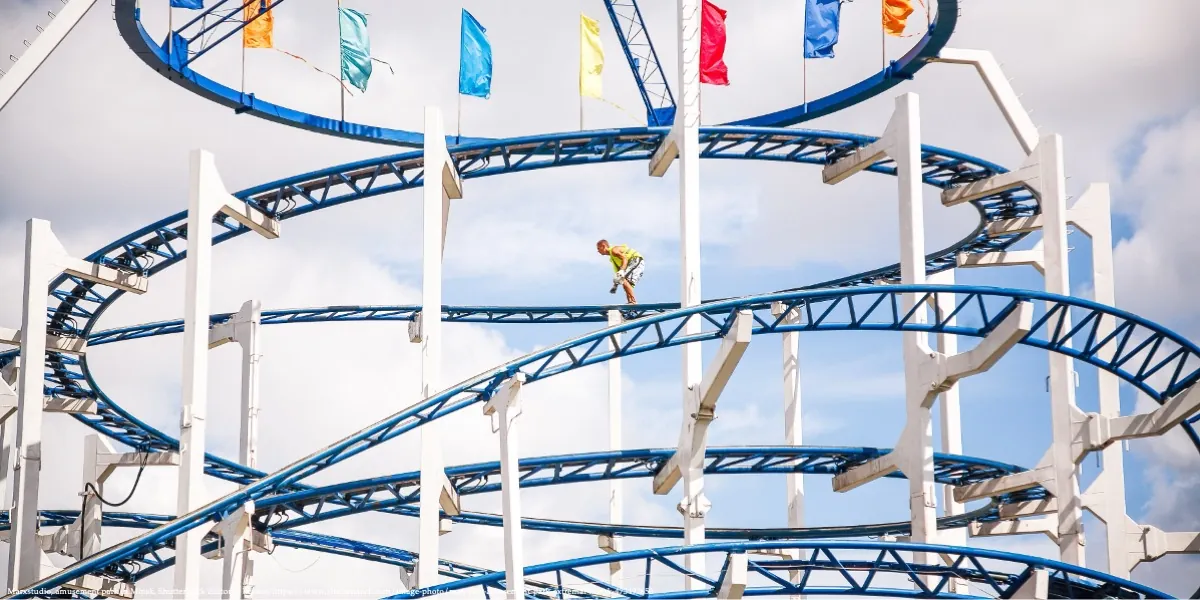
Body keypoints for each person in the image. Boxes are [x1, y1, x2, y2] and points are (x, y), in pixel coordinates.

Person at [596, 239, 644, 304]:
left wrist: (621, 271)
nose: (598, 251)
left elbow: (625, 258)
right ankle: (630, 303)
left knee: (623, 280)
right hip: (630, 263)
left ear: (603, 246)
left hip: (635, 259)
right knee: (624, 282)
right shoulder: (613, 260)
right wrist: (615, 285)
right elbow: (618, 275)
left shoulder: (614, 250)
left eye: (598, 248)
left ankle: (633, 302)